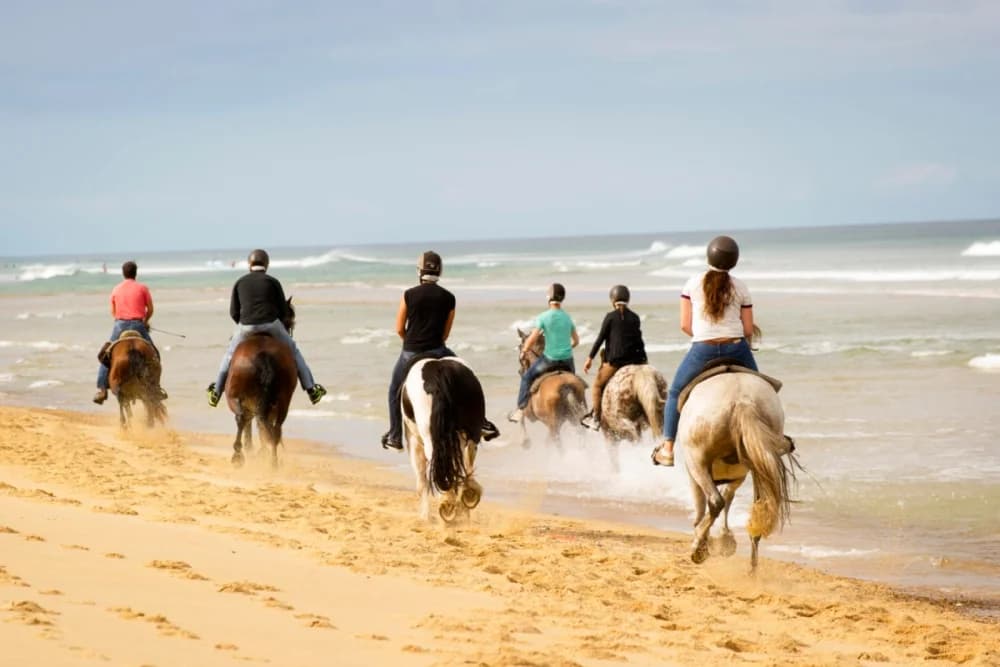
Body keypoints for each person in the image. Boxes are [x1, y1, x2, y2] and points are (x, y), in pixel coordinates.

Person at [652, 235, 757, 467]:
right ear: (734, 261)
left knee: (675, 393)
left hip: (703, 350)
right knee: (763, 389)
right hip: (737, 347)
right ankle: (774, 438)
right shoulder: (741, 286)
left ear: (709, 255)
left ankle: (668, 448)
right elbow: (748, 328)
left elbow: (684, 325)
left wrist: (705, 336)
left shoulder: (692, 283)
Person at [381, 252, 500, 451]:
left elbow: (399, 328)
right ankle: (483, 423)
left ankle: (395, 435)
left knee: (394, 389)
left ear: (419, 271)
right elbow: (445, 333)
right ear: (439, 271)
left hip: (412, 351)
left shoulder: (409, 295)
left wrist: (410, 341)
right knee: (469, 378)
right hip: (439, 349)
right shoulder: (449, 297)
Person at [207, 249, 326, 407]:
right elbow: (283, 311)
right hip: (271, 325)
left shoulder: (240, 282)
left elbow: (233, 312)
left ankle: (216, 392)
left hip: (246, 326)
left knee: (229, 354)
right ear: (267, 264)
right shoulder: (273, 282)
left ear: (249, 264)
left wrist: (244, 324)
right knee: (294, 351)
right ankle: (312, 390)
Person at [93, 261, 166, 404]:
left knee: (105, 355)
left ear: (123, 273)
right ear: (135, 273)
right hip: (138, 324)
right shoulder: (143, 288)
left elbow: (113, 312)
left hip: (120, 325)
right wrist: (144, 321)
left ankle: (102, 390)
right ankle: (156, 388)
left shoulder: (116, 289)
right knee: (154, 356)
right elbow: (150, 309)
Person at [580, 284, 648, 430]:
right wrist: (644, 361)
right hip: (634, 362)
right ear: (628, 299)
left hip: (615, 363)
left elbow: (600, 338)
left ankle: (596, 419)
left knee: (597, 386)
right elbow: (639, 340)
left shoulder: (610, 317)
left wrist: (590, 358)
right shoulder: (635, 317)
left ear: (613, 300)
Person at [509, 283, 579, 422]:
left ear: (549, 298)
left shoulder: (543, 317)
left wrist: (524, 350)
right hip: (567, 361)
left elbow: (532, 339)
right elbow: (576, 341)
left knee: (527, 377)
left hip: (550, 360)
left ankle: (520, 409)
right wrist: (565, 348)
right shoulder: (567, 317)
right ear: (562, 299)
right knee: (575, 383)